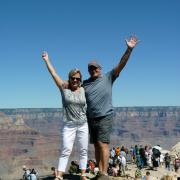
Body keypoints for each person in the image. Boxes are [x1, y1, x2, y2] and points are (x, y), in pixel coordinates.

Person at [83, 35, 139, 180]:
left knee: (103, 143)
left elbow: (121, 63)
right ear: (88, 70)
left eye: (95, 68)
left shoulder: (108, 77)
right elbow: (72, 88)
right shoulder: (85, 83)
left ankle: (103, 174)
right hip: (91, 117)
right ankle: (99, 171)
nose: (93, 70)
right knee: (96, 145)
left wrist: (129, 50)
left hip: (105, 115)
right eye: (91, 68)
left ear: (100, 69)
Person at [42, 52, 88, 180]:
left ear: (80, 80)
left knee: (83, 150)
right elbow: (54, 74)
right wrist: (47, 60)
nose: (75, 80)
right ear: (69, 78)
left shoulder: (83, 89)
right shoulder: (64, 88)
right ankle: (60, 175)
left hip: (83, 124)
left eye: (77, 78)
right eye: (73, 78)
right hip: (69, 124)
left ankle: (83, 174)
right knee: (66, 149)